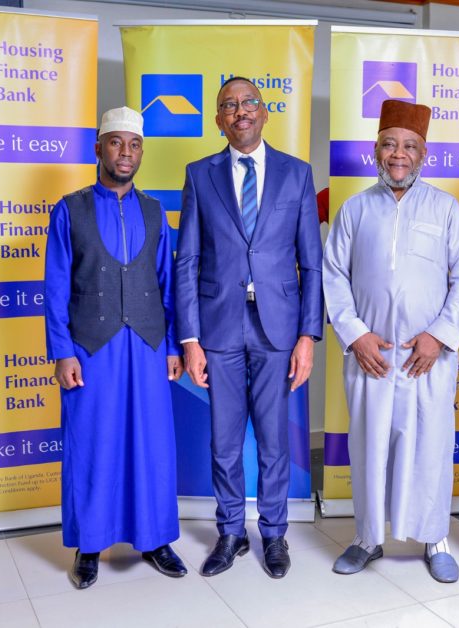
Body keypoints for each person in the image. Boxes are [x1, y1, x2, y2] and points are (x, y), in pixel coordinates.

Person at [322, 100, 459, 583]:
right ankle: (367, 538)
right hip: (371, 358)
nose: (398, 154)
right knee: (368, 447)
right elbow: (334, 277)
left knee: (430, 445)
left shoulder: (445, 208)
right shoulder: (354, 209)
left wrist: (439, 337)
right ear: (376, 150)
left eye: (409, 146)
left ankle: (435, 538)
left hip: (426, 359)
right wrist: (356, 335)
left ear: (423, 154)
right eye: (389, 144)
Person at [174, 77, 323, 579]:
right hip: (218, 329)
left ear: (264, 112)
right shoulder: (200, 175)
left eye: (248, 103)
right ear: (218, 119)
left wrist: (308, 336)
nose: (240, 111)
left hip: (278, 330)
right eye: (229, 105)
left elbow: (312, 263)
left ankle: (275, 534)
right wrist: (189, 338)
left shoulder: (296, 175)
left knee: (275, 440)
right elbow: (187, 260)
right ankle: (231, 532)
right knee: (224, 440)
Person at [44, 106, 187, 589]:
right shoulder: (70, 210)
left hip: (147, 346)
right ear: (98, 148)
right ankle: (89, 545)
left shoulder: (154, 212)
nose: (126, 153)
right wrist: (63, 351)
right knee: (93, 443)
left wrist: (171, 345)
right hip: (91, 349)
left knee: (151, 445)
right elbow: (56, 287)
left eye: (134, 144)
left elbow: (166, 284)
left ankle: (156, 539)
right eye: (116, 143)